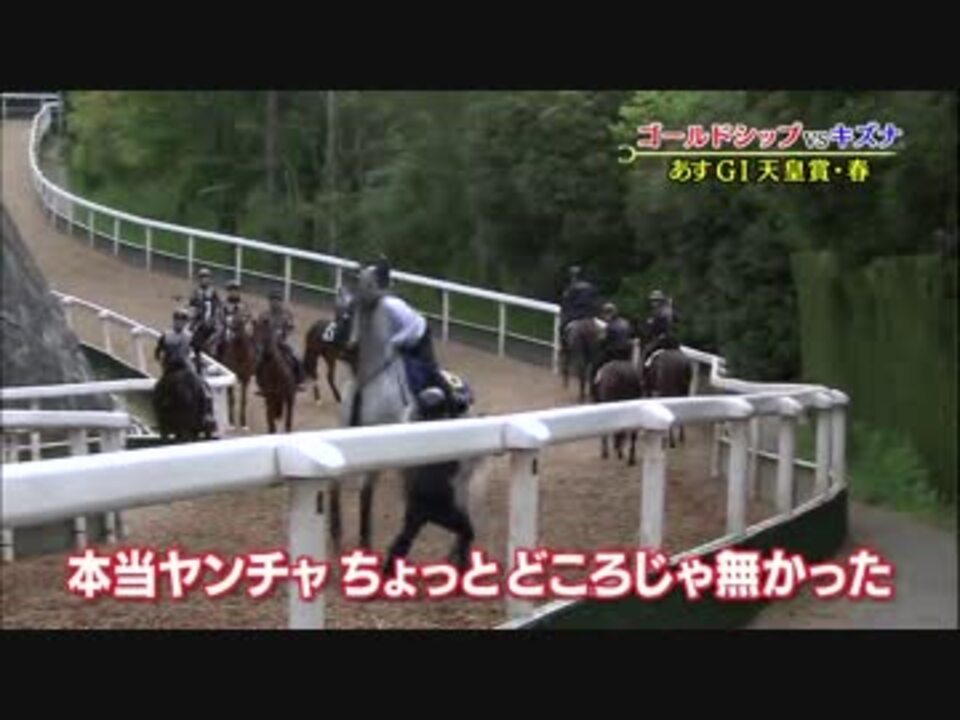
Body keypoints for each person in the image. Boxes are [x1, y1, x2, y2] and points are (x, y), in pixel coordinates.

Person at [354, 263, 457, 415]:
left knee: (428, 370)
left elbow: (412, 327)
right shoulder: (374, 305)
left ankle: (451, 402)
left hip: (419, 334)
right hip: (401, 336)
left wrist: (393, 342)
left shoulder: (391, 305)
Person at [154, 308, 215, 426]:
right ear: (174, 321)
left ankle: (206, 413)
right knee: (159, 388)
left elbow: (197, 352)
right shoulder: (166, 335)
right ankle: (159, 413)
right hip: (171, 366)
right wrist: (162, 361)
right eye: (177, 320)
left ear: (185, 323)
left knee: (202, 385)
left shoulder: (190, 336)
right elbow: (158, 352)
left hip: (186, 366)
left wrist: (197, 364)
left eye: (182, 321)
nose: (179, 323)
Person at [256, 289, 306, 389]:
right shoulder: (264, 315)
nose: (274, 302)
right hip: (267, 343)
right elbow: (259, 329)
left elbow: (291, 328)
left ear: (281, 302)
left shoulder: (286, 315)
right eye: (272, 300)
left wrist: (284, 334)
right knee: (258, 359)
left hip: (283, 341)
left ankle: (299, 380)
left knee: (296, 357)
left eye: (277, 300)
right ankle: (260, 382)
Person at [559, 265, 601, 352]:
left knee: (562, 327)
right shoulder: (592, 287)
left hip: (575, 316)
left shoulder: (571, 288)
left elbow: (565, 304)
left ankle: (564, 348)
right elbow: (596, 302)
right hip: (590, 317)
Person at [639, 289, 680, 366]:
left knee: (646, 351)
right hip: (673, 341)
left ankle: (642, 370)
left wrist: (647, 330)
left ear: (660, 301)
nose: (653, 303)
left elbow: (652, 329)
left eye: (655, 301)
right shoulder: (671, 311)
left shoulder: (657, 313)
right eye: (652, 301)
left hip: (661, 340)